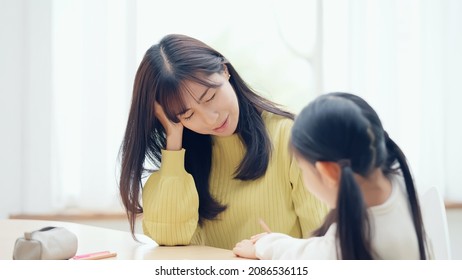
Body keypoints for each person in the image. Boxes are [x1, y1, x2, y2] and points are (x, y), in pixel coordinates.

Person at [118, 34, 328, 250]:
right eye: (188, 115)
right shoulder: (185, 158)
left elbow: (322, 248)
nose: (210, 118)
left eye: (209, 97)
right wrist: (173, 139)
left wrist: (272, 253)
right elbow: (169, 238)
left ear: (224, 70)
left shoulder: (291, 136)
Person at [233, 92, 432, 259]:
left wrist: (265, 245)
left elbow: (314, 256)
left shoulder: (352, 242)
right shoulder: (397, 181)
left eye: (303, 169)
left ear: (328, 172)